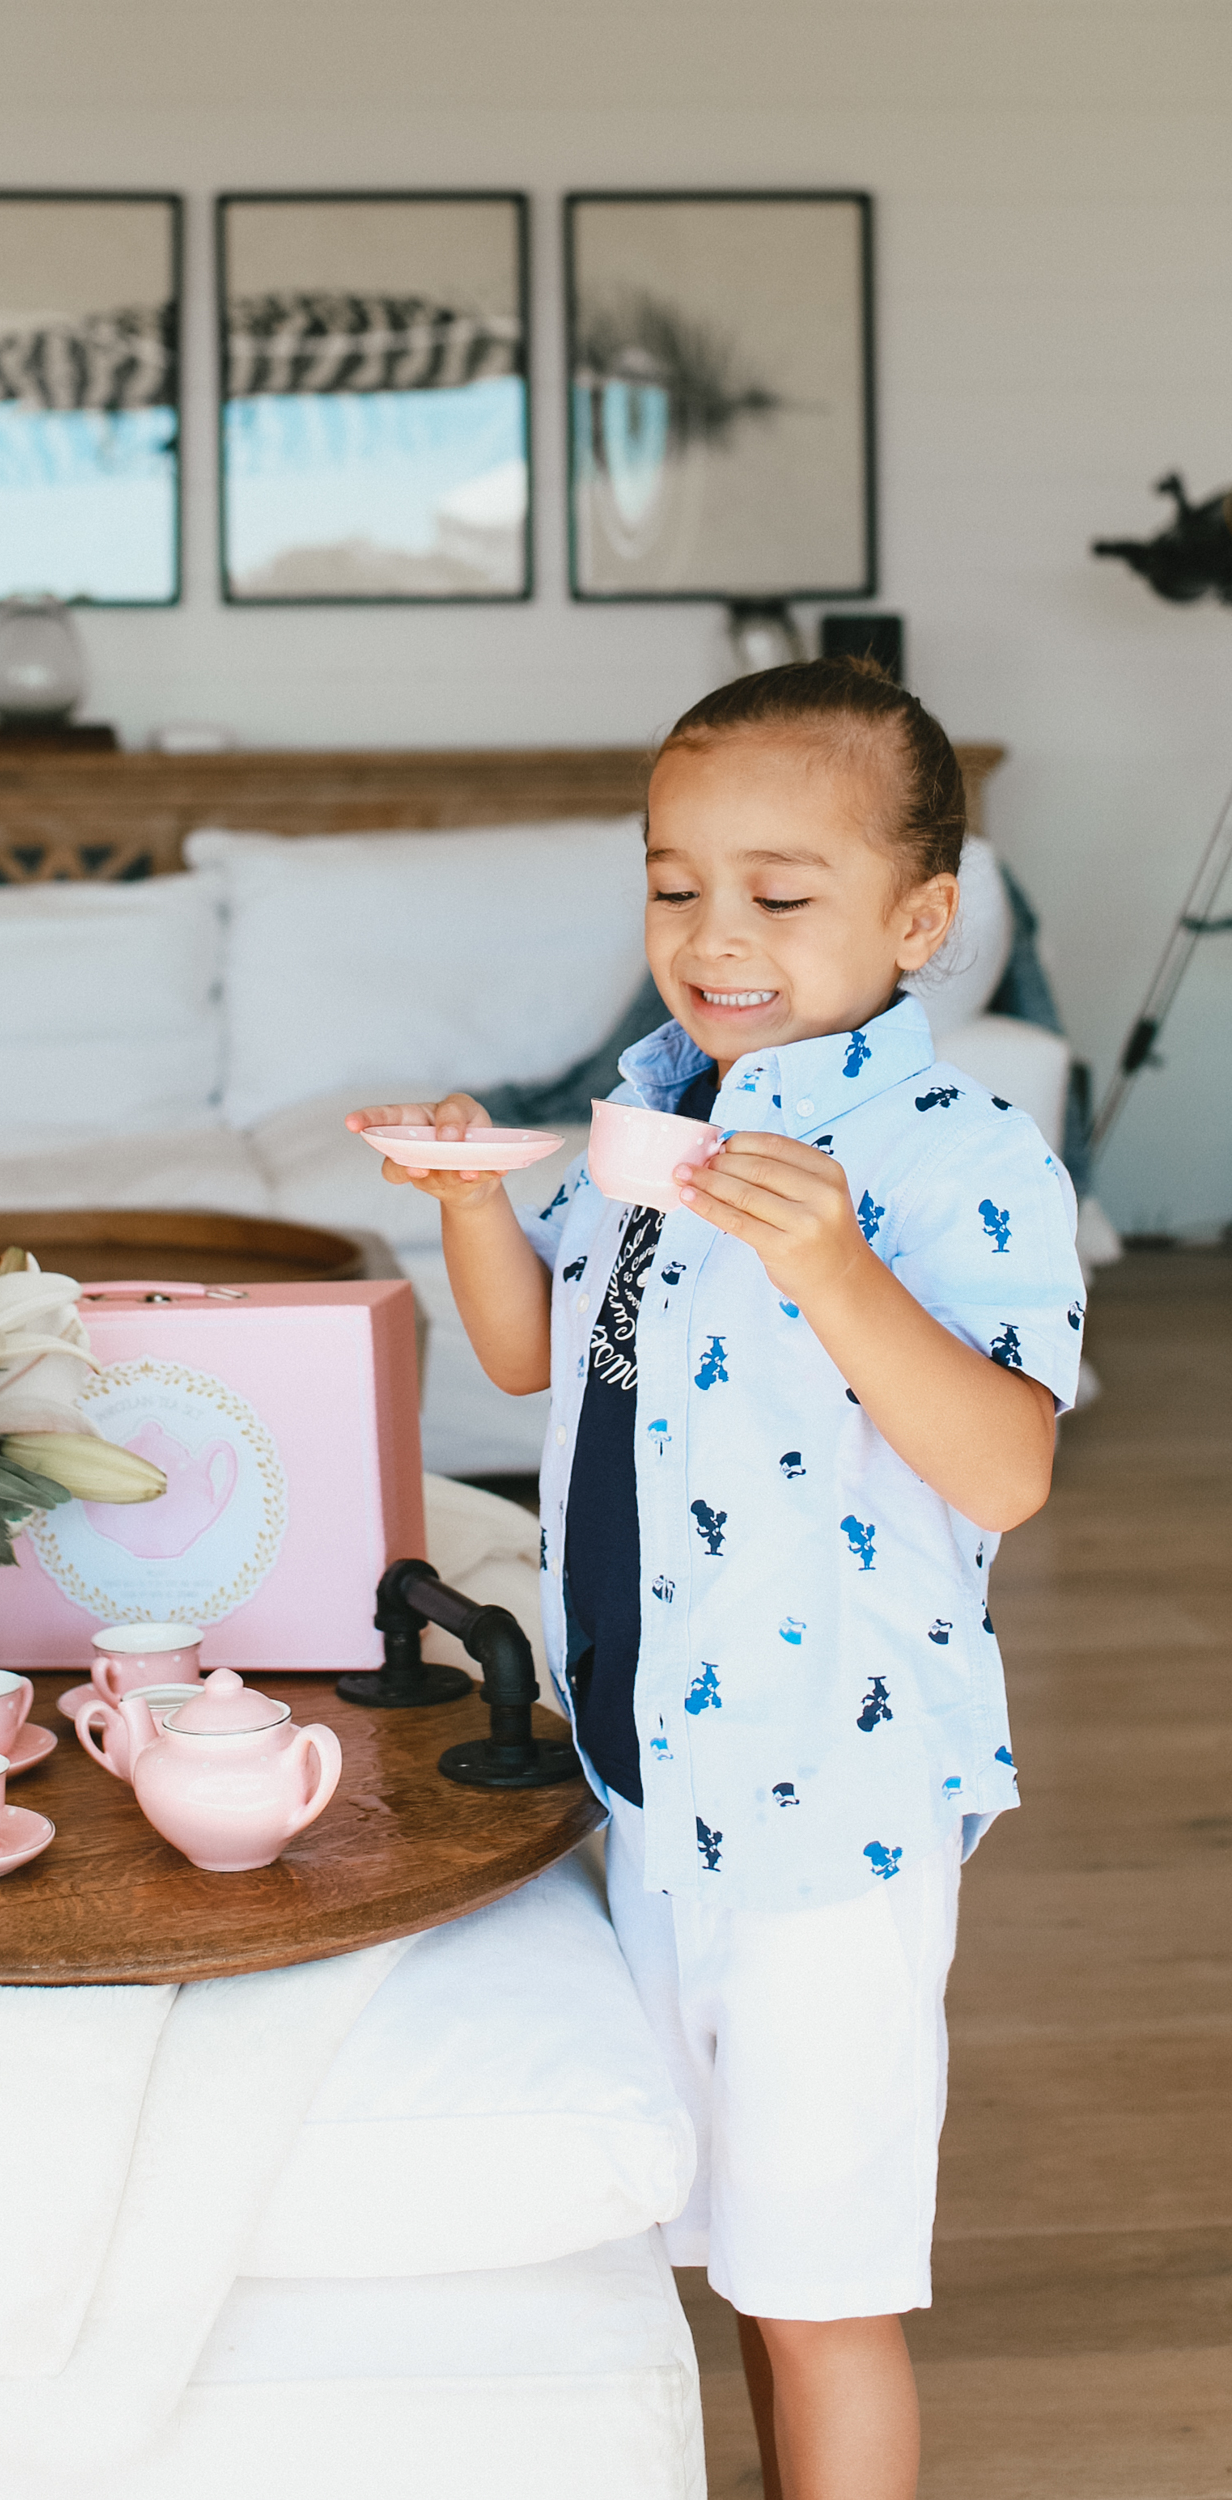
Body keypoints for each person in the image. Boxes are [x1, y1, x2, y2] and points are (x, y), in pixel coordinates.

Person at [347, 659, 1085, 2500]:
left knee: (823, 2289)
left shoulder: (954, 1157)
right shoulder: (654, 1116)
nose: (714, 933)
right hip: (653, 1785)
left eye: (780, 890)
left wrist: (840, 1272)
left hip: (827, 1819)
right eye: (675, 883)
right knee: (735, 2267)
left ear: (919, 920)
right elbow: (535, 1368)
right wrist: (469, 1212)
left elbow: (1005, 1463)